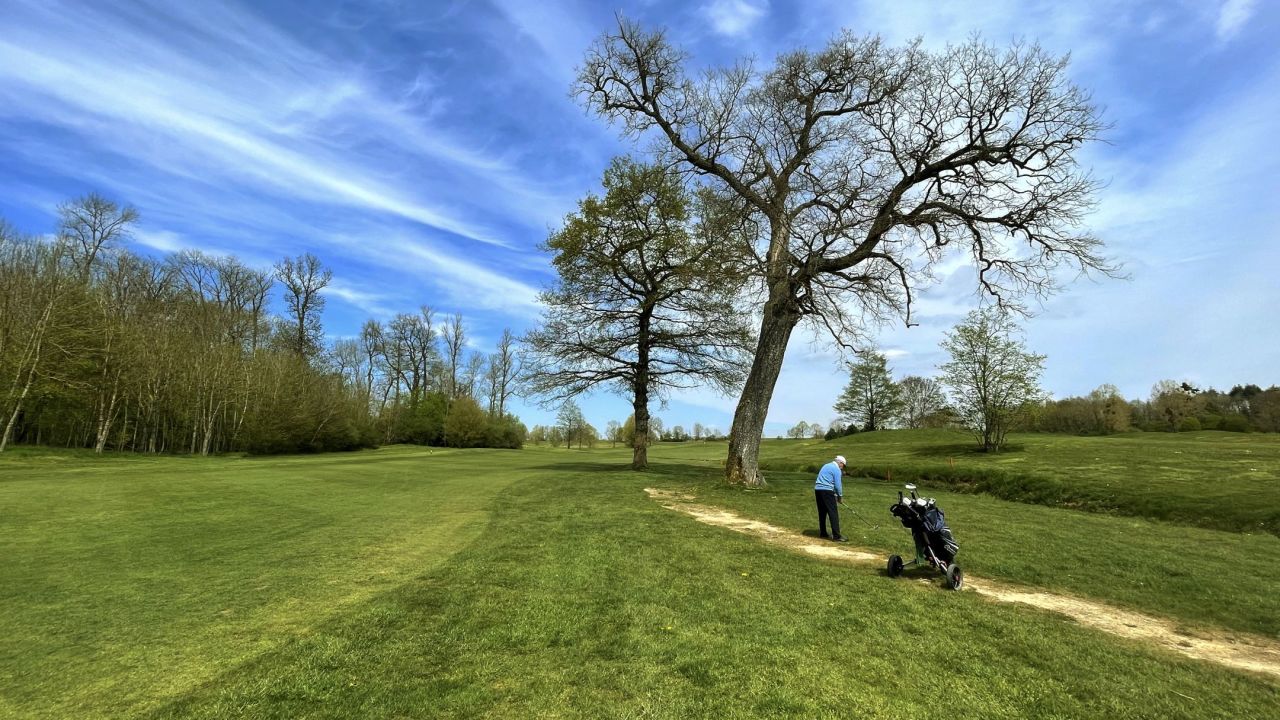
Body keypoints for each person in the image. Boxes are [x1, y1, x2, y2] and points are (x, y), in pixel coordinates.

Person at [815, 455, 847, 542]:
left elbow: (826, 480)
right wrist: (840, 496)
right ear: (840, 463)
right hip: (827, 491)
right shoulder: (836, 469)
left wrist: (835, 495)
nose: (842, 467)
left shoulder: (826, 465)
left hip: (818, 490)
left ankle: (823, 533)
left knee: (822, 512)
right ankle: (837, 536)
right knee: (833, 513)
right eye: (843, 465)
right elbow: (837, 485)